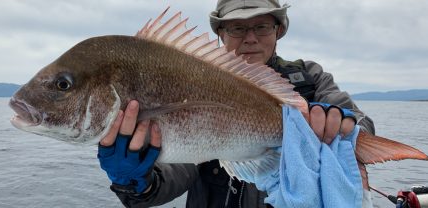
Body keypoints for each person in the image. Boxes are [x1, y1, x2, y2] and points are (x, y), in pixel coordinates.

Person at [98, 0, 375, 207]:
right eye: (237, 28)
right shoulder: (196, 80)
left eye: (262, 26)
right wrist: (136, 181)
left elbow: (362, 124)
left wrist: (348, 125)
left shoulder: (310, 78)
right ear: (221, 33)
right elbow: (176, 172)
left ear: (278, 30)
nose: (250, 38)